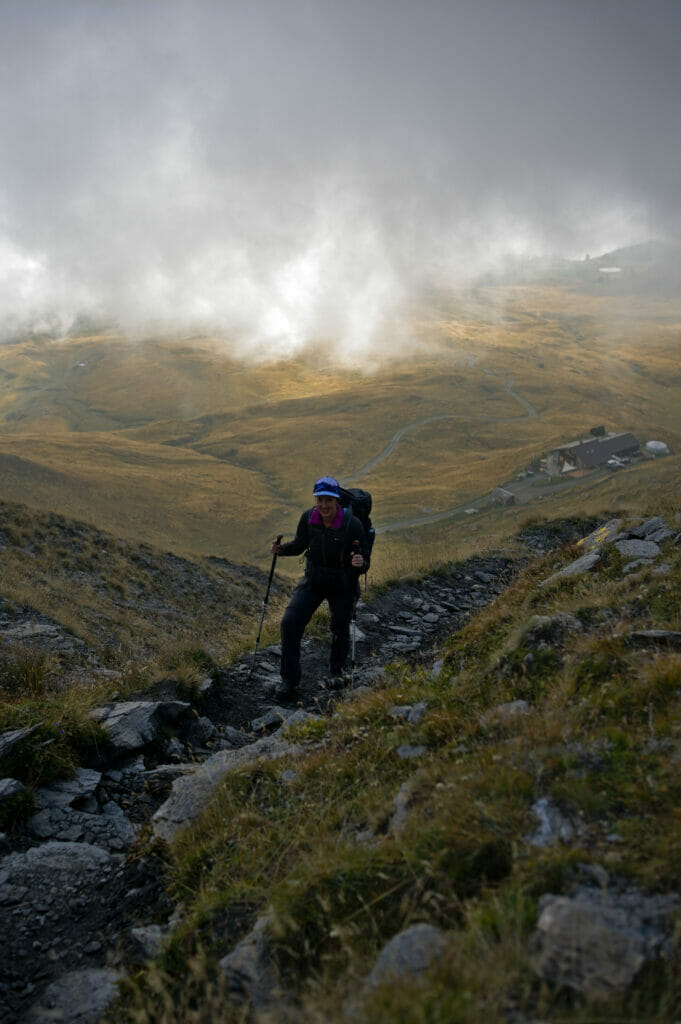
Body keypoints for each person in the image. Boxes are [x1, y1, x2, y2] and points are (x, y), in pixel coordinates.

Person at [270, 476, 369, 701]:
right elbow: (299, 545)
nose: (324, 506)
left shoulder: (351, 524)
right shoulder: (308, 518)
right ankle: (289, 681)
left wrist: (360, 563)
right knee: (290, 622)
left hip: (342, 582)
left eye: (328, 500)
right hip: (314, 579)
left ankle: (337, 672)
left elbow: (365, 559)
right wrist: (281, 550)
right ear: (316, 499)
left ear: (337, 501)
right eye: (320, 500)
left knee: (340, 627)